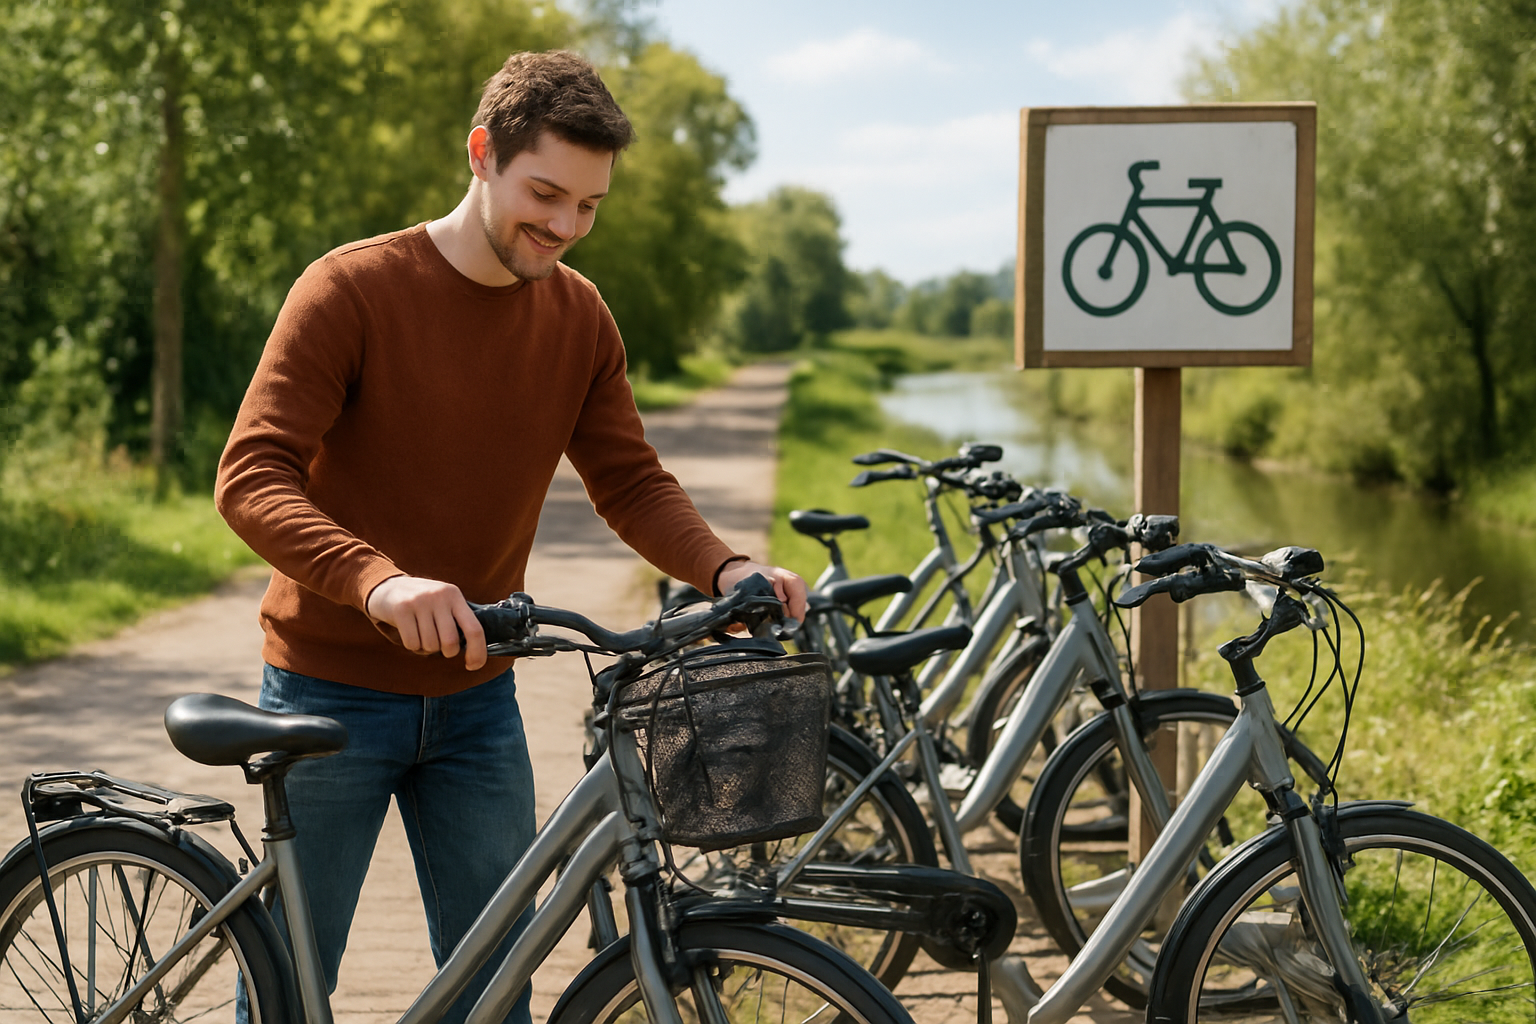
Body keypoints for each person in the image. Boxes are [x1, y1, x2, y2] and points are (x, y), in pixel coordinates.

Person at [215, 49, 807, 1024]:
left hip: (479, 703)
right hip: (327, 693)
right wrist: (380, 583)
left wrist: (726, 565)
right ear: (482, 153)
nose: (567, 227)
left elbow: (629, 480)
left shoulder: (578, 317)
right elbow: (251, 475)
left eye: (589, 206)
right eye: (546, 194)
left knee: (496, 988)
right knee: (289, 986)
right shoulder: (351, 290)